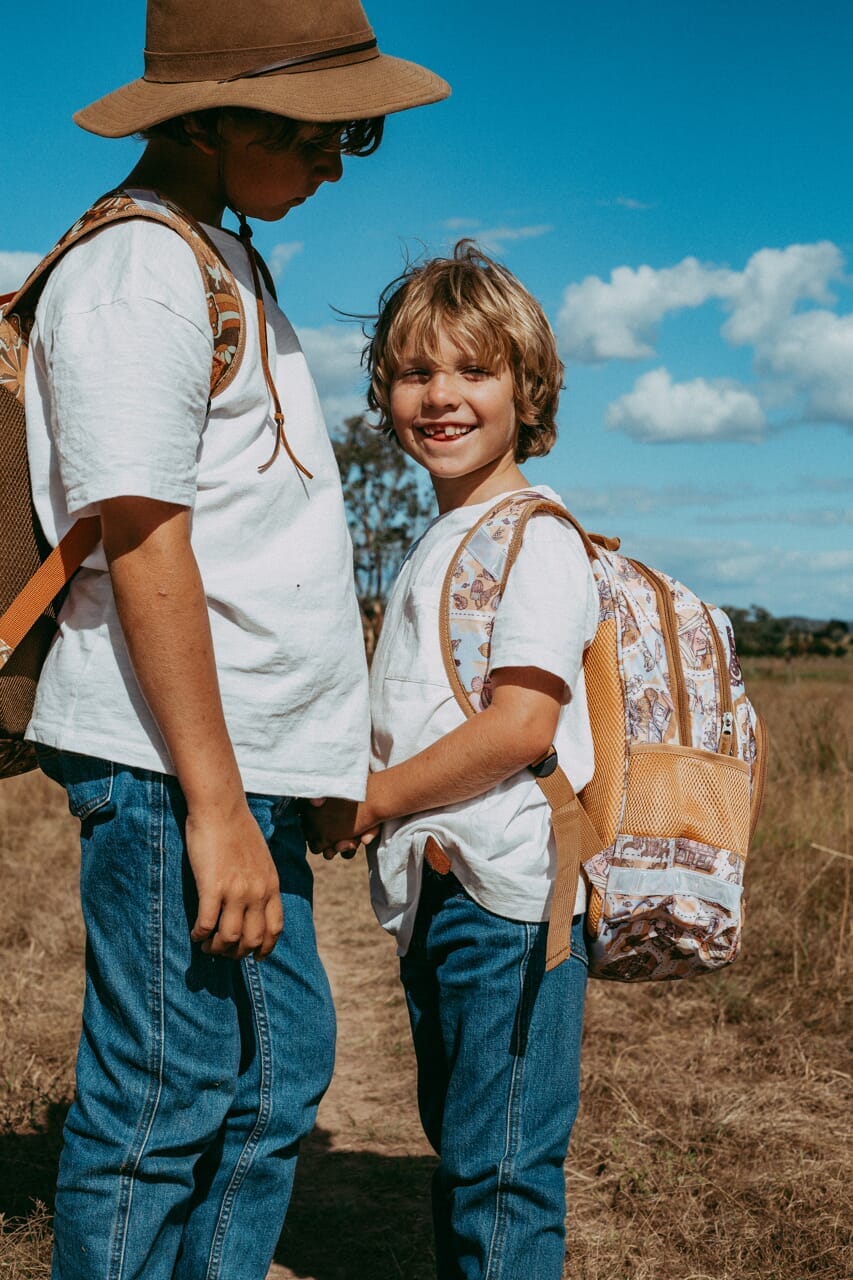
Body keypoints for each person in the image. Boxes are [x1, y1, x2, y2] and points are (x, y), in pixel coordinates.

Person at [23, 3, 448, 1277]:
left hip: (236, 761)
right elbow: (146, 539)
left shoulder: (220, 260)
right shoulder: (135, 270)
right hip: (170, 765)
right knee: (165, 1093)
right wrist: (212, 801)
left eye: (355, 135)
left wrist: (301, 764)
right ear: (210, 123)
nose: (338, 160)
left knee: (276, 1074)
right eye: (328, 130)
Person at [304, 243, 600, 1280]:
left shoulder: (538, 537)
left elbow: (522, 724)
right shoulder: (445, 535)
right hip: (446, 898)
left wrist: (376, 798)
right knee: (469, 1148)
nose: (441, 396)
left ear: (528, 388)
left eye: (474, 372)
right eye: (415, 372)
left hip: (512, 899)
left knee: (503, 1168)